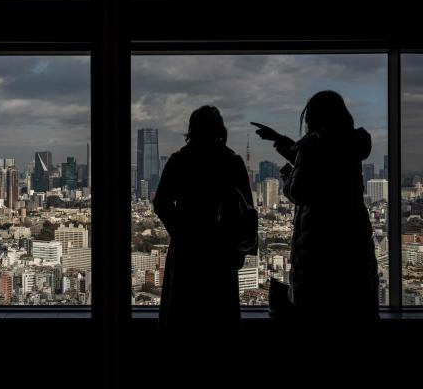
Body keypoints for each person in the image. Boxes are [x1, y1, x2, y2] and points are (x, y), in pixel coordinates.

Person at [252, 90, 379, 327]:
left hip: (321, 254)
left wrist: (286, 176)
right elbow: (314, 162)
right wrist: (279, 140)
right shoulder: (349, 144)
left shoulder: (315, 146)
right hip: (353, 251)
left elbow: (299, 190)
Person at [154, 105, 253, 344]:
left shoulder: (179, 160)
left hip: (188, 249)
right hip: (222, 250)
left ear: (192, 129)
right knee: (220, 316)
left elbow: (160, 202)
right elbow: (247, 211)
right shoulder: (232, 162)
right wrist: (239, 249)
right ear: (220, 129)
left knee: (184, 314)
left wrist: (180, 230)